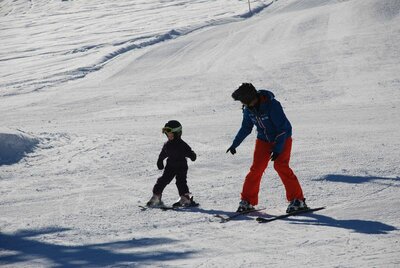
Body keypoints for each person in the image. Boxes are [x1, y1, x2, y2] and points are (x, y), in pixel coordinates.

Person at [227, 83, 308, 213]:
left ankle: (298, 200)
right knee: (256, 169)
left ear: (251, 97)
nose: (245, 105)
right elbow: (246, 127)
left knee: (280, 166)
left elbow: (283, 129)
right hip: (263, 140)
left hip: (282, 138)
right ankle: (247, 201)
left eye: (245, 101)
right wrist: (235, 144)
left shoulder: (272, 105)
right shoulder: (248, 109)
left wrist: (277, 149)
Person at [147, 120, 198, 207]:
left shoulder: (182, 145)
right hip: (170, 166)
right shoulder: (167, 145)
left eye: (170, 134)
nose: (169, 136)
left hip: (181, 166)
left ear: (177, 133)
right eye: (167, 134)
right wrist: (160, 160)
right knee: (163, 180)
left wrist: (192, 156)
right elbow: (163, 153)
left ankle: (185, 198)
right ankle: (156, 196)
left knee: (181, 182)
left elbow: (190, 152)